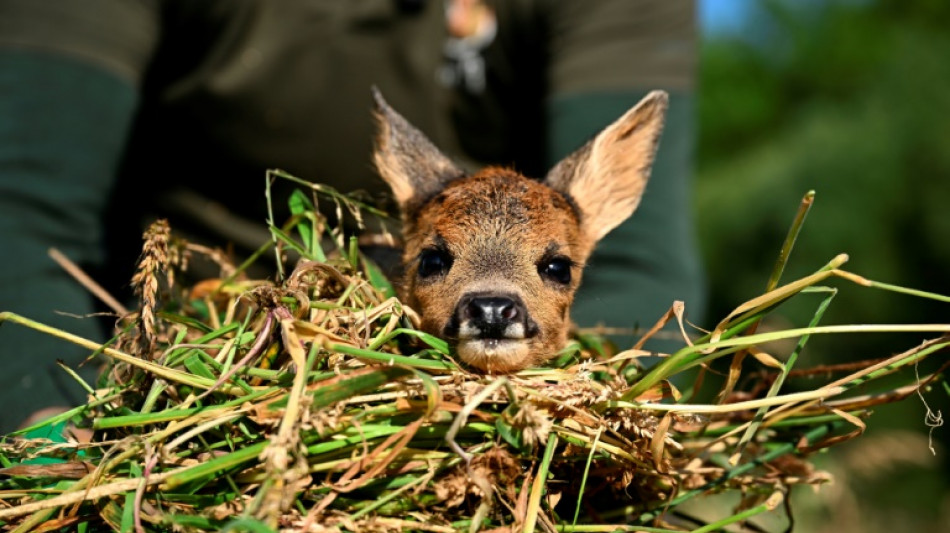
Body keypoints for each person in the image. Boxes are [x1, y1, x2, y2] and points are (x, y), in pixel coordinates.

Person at [0, 0, 705, 432]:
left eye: (552, 269)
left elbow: (644, 275)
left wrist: (574, 420)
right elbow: (23, 209)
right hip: (188, 370)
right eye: (437, 261)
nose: (495, 301)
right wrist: (50, 424)